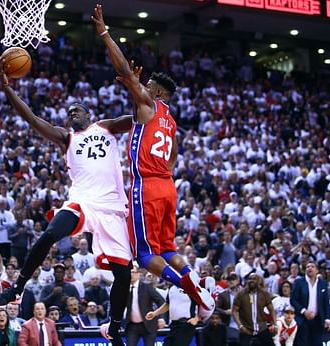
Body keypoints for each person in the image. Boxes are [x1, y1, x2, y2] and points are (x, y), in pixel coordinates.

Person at [0, 60, 134, 346]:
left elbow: (138, 117)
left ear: (88, 113)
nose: (71, 115)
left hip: (113, 209)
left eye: (76, 110)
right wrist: (8, 89)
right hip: (82, 202)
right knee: (51, 233)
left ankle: (115, 325)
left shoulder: (105, 127)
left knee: (123, 274)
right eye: (68, 112)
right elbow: (32, 119)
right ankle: (16, 288)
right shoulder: (66, 138)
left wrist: (139, 89)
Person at [92, 4, 214, 319]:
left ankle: (187, 286)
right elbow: (172, 159)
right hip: (167, 187)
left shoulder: (148, 104)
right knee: (168, 249)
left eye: (147, 86)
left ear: (156, 91)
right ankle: (191, 274)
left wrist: (105, 34)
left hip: (146, 187)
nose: (142, 87)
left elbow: (122, 70)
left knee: (144, 255)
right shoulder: (170, 122)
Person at [290, 261, 330, 346]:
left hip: (317, 320)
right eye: (307, 267)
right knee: (303, 343)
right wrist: (304, 311)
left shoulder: (323, 283)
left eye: (312, 266)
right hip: (302, 319)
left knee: (317, 343)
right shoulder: (299, 282)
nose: (309, 268)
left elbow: (326, 303)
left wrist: (327, 319)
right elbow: (293, 300)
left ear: (317, 270)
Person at [124, 265, 165, 346]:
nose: (131, 275)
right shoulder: (123, 288)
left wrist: (161, 318)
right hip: (132, 326)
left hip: (149, 324)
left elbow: (161, 301)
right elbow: (117, 305)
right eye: (129, 273)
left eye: (133, 272)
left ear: (138, 274)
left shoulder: (146, 287)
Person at [232, 273, 276, 346]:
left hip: (262, 328)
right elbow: (234, 311)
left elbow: (271, 310)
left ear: (258, 281)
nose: (251, 280)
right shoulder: (240, 294)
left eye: (254, 279)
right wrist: (240, 326)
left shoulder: (264, 293)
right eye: (250, 279)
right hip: (246, 328)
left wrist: (275, 324)